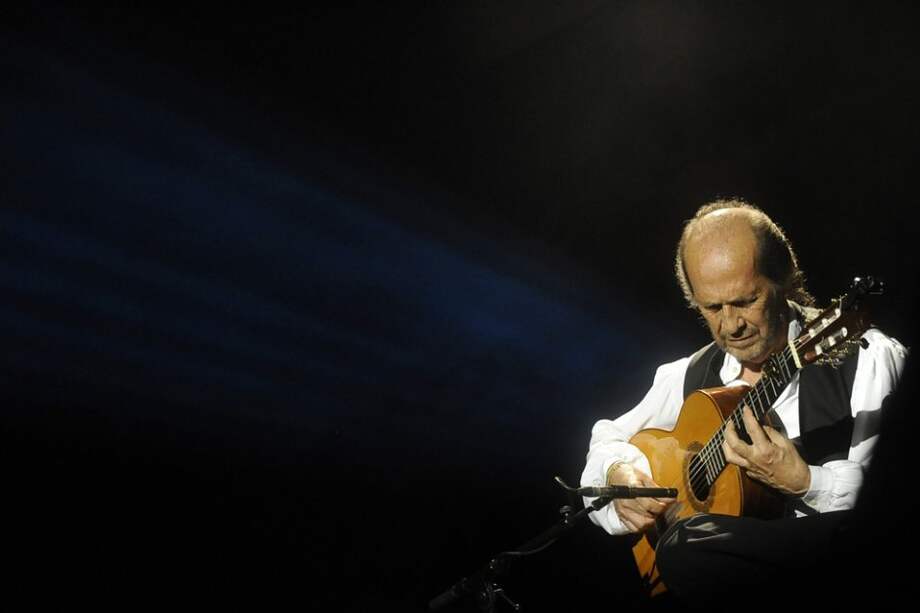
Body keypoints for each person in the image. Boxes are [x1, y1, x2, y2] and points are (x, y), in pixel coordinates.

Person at [580, 199, 907, 609]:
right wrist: (621, 475)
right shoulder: (688, 374)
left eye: (746, 301)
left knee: (687, 546)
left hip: (842, 579)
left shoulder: (867, 360)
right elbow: (606, 439)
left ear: (784, 280)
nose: (730, 325)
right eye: (712, 308)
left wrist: (806, 482)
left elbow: (895, 505)